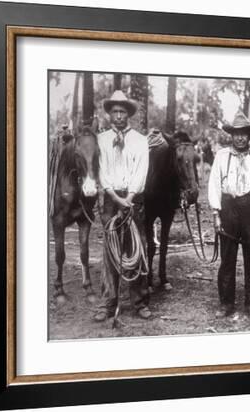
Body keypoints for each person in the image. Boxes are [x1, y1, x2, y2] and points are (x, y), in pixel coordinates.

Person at [94, 90, 151, 322]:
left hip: (133, 198)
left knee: (136, 250)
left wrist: (129, 197)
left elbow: (141, 171)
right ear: (109, 114)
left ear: (129, 114)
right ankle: (108, 303)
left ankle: (139, 302)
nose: (118, 115)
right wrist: (117, 199)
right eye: (115, 111)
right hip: (110, 199)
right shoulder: (102, 140)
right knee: (110, 250)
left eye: (122, 111)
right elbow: (102, 172)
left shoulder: (140, 140)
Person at [208, 111, 250, 319]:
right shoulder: (221, 157)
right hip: (228, 209)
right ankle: (226, 303)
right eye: (237, 133)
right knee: (227, 259)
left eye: (244, 134)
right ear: (231, 135)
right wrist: (216, 213)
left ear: (249, 136)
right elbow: (214, 186)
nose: (240, 137)